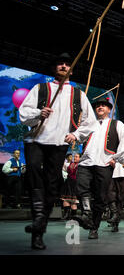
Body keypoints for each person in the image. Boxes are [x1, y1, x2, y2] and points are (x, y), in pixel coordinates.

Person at [19, 52, 96, 250]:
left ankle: (39, 228)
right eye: (59, 63)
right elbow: (24, 112)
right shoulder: (41, 88)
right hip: (36, 140)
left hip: (59, 144)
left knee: (52, 186)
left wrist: (76, 135)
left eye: (67, 64)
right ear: (54, 68)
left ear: (71, 69)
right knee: (35, 174)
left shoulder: (78, 94)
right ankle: (37, 225)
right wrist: (38, 112)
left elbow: (91, 122)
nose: (63, 66)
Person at [75, 97, 124, 240]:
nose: (100, 107)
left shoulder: (116, 124)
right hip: (86, 162)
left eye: (103, 106)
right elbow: (79, 138)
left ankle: (94, 227)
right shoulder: (89, 124)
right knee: (81, 186)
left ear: (109, 109)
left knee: (101, 197)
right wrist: (76, 129)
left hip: (104, 163)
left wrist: (116, 158)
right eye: (98, 106)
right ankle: (87, 213)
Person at [60, 153, 80, 220]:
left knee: (73, 201)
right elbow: (65, 170)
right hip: (68, 183)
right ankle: (66, 214)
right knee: (66, 199)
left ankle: (73, 217)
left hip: (75, 183)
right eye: (75, 157)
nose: (75, 158)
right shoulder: (71, 164)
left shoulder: (80, 165)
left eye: (77, 157)